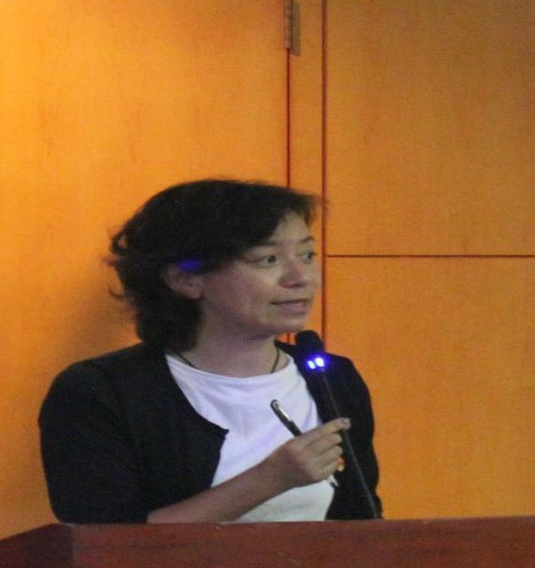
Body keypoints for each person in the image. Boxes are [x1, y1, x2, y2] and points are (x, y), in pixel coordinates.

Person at [39, 179, 381, 523]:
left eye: (307, 255)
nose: (300, 277)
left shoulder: (334, 379)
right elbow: (102, 543)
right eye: (268, 259)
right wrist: (269, 480)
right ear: (185, 279)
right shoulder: (100, 392)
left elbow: (364, 522)